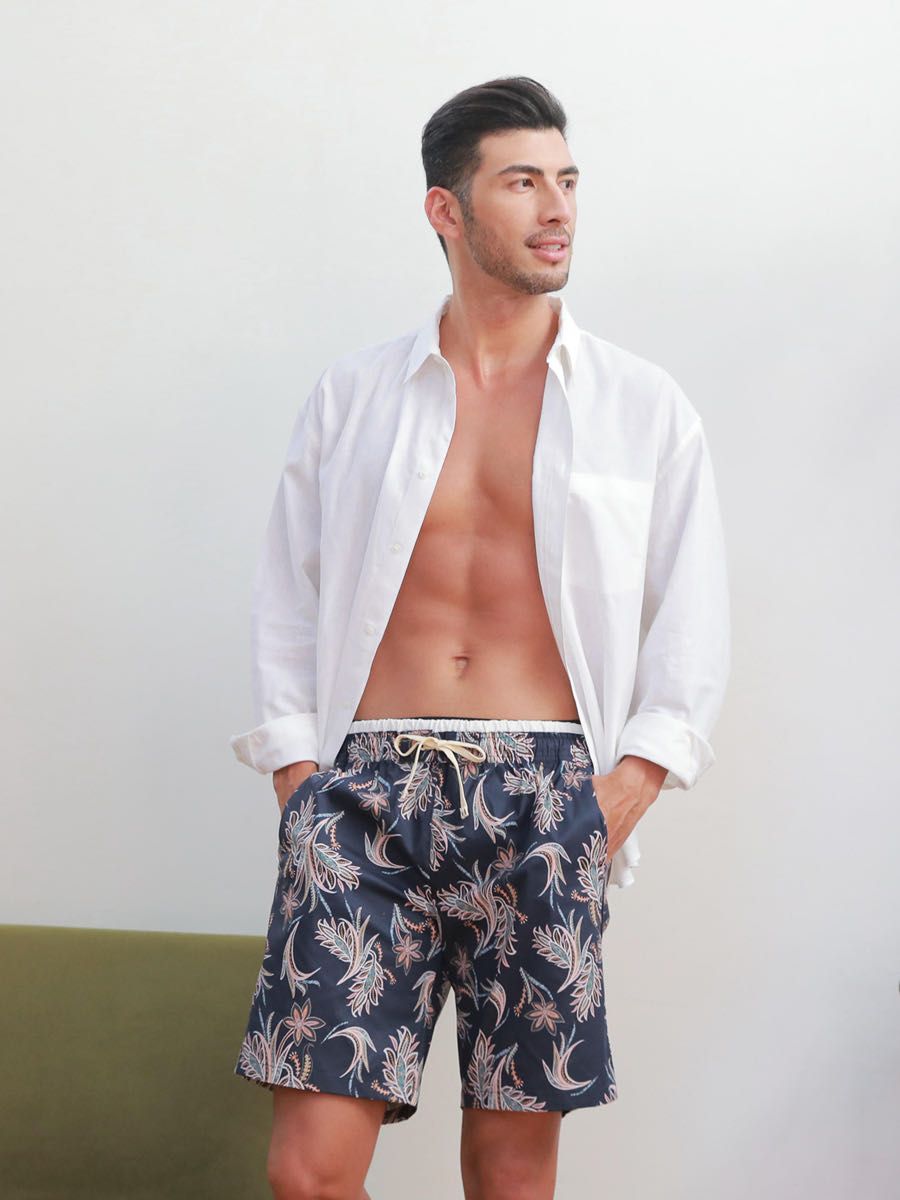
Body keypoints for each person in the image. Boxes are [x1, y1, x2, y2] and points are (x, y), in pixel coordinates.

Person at [229, 75, 730, 1200]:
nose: (557, 210)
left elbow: (693, 614)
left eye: (568, 182)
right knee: (308, 1173)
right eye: (522, 183)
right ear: (445, 211)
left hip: (546, 798)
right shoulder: (355, 394)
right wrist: (301, 779)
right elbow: (285, 593)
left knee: (509, 1175)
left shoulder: (642, 405)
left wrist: (631, 785)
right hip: (363, 795)